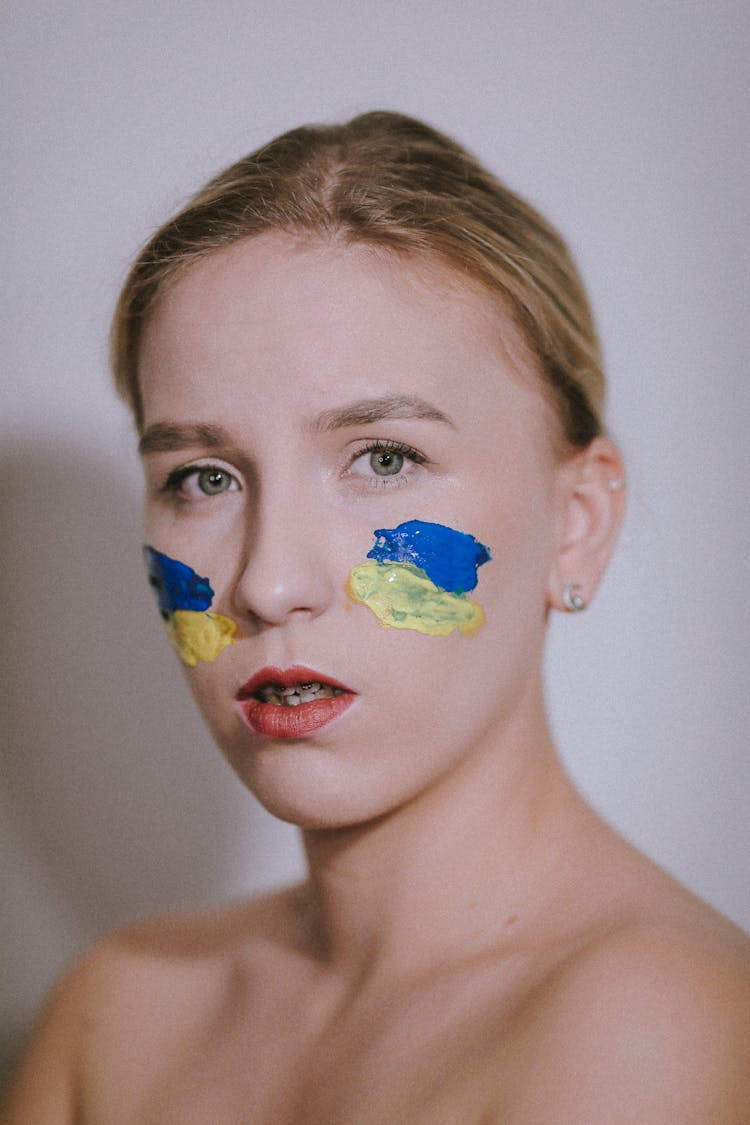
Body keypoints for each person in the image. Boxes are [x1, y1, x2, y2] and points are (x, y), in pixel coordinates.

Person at [3, 111, 749, 1124]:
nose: (269, 584)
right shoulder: (117, 1012)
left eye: (383, 459)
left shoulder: (661, 1033)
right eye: (204, 476)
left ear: (577, 524)